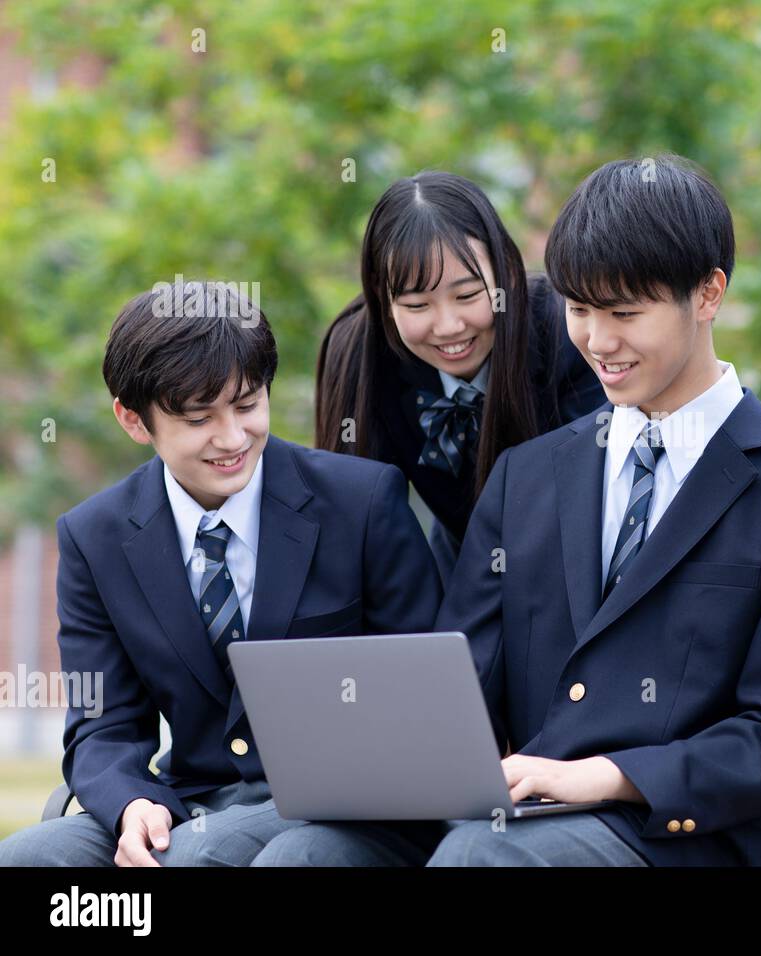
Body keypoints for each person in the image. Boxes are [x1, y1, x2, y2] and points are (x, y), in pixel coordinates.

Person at [253, 156, 761, 867]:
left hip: (670, 837)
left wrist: (605, 777)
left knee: (478, 859)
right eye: (579, 311)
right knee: (301, 857)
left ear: (708, 293)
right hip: (513, 815)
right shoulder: (524, 477)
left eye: (624, 313)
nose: (598, 341)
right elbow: (464, 690)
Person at [0, 281, 440, 867]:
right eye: (198, 418)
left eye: (248, 405)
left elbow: (425, 692)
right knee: (29, 856)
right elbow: (103, 723)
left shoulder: (362, 502)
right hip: (190, 798)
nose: (232, 438)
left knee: (200, 855)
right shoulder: (93, 537)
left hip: (346, 806)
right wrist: (132, 802)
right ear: (133, 419)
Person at [314, 171, 604, 586]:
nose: (448, 326)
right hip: (456, 582)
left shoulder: (565, 330)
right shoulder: (360, 353)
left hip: (576, 578)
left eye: (467, 295)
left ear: (505, 270)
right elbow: (357, 531)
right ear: (382, 298)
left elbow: (598, 503)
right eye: (417, 305)